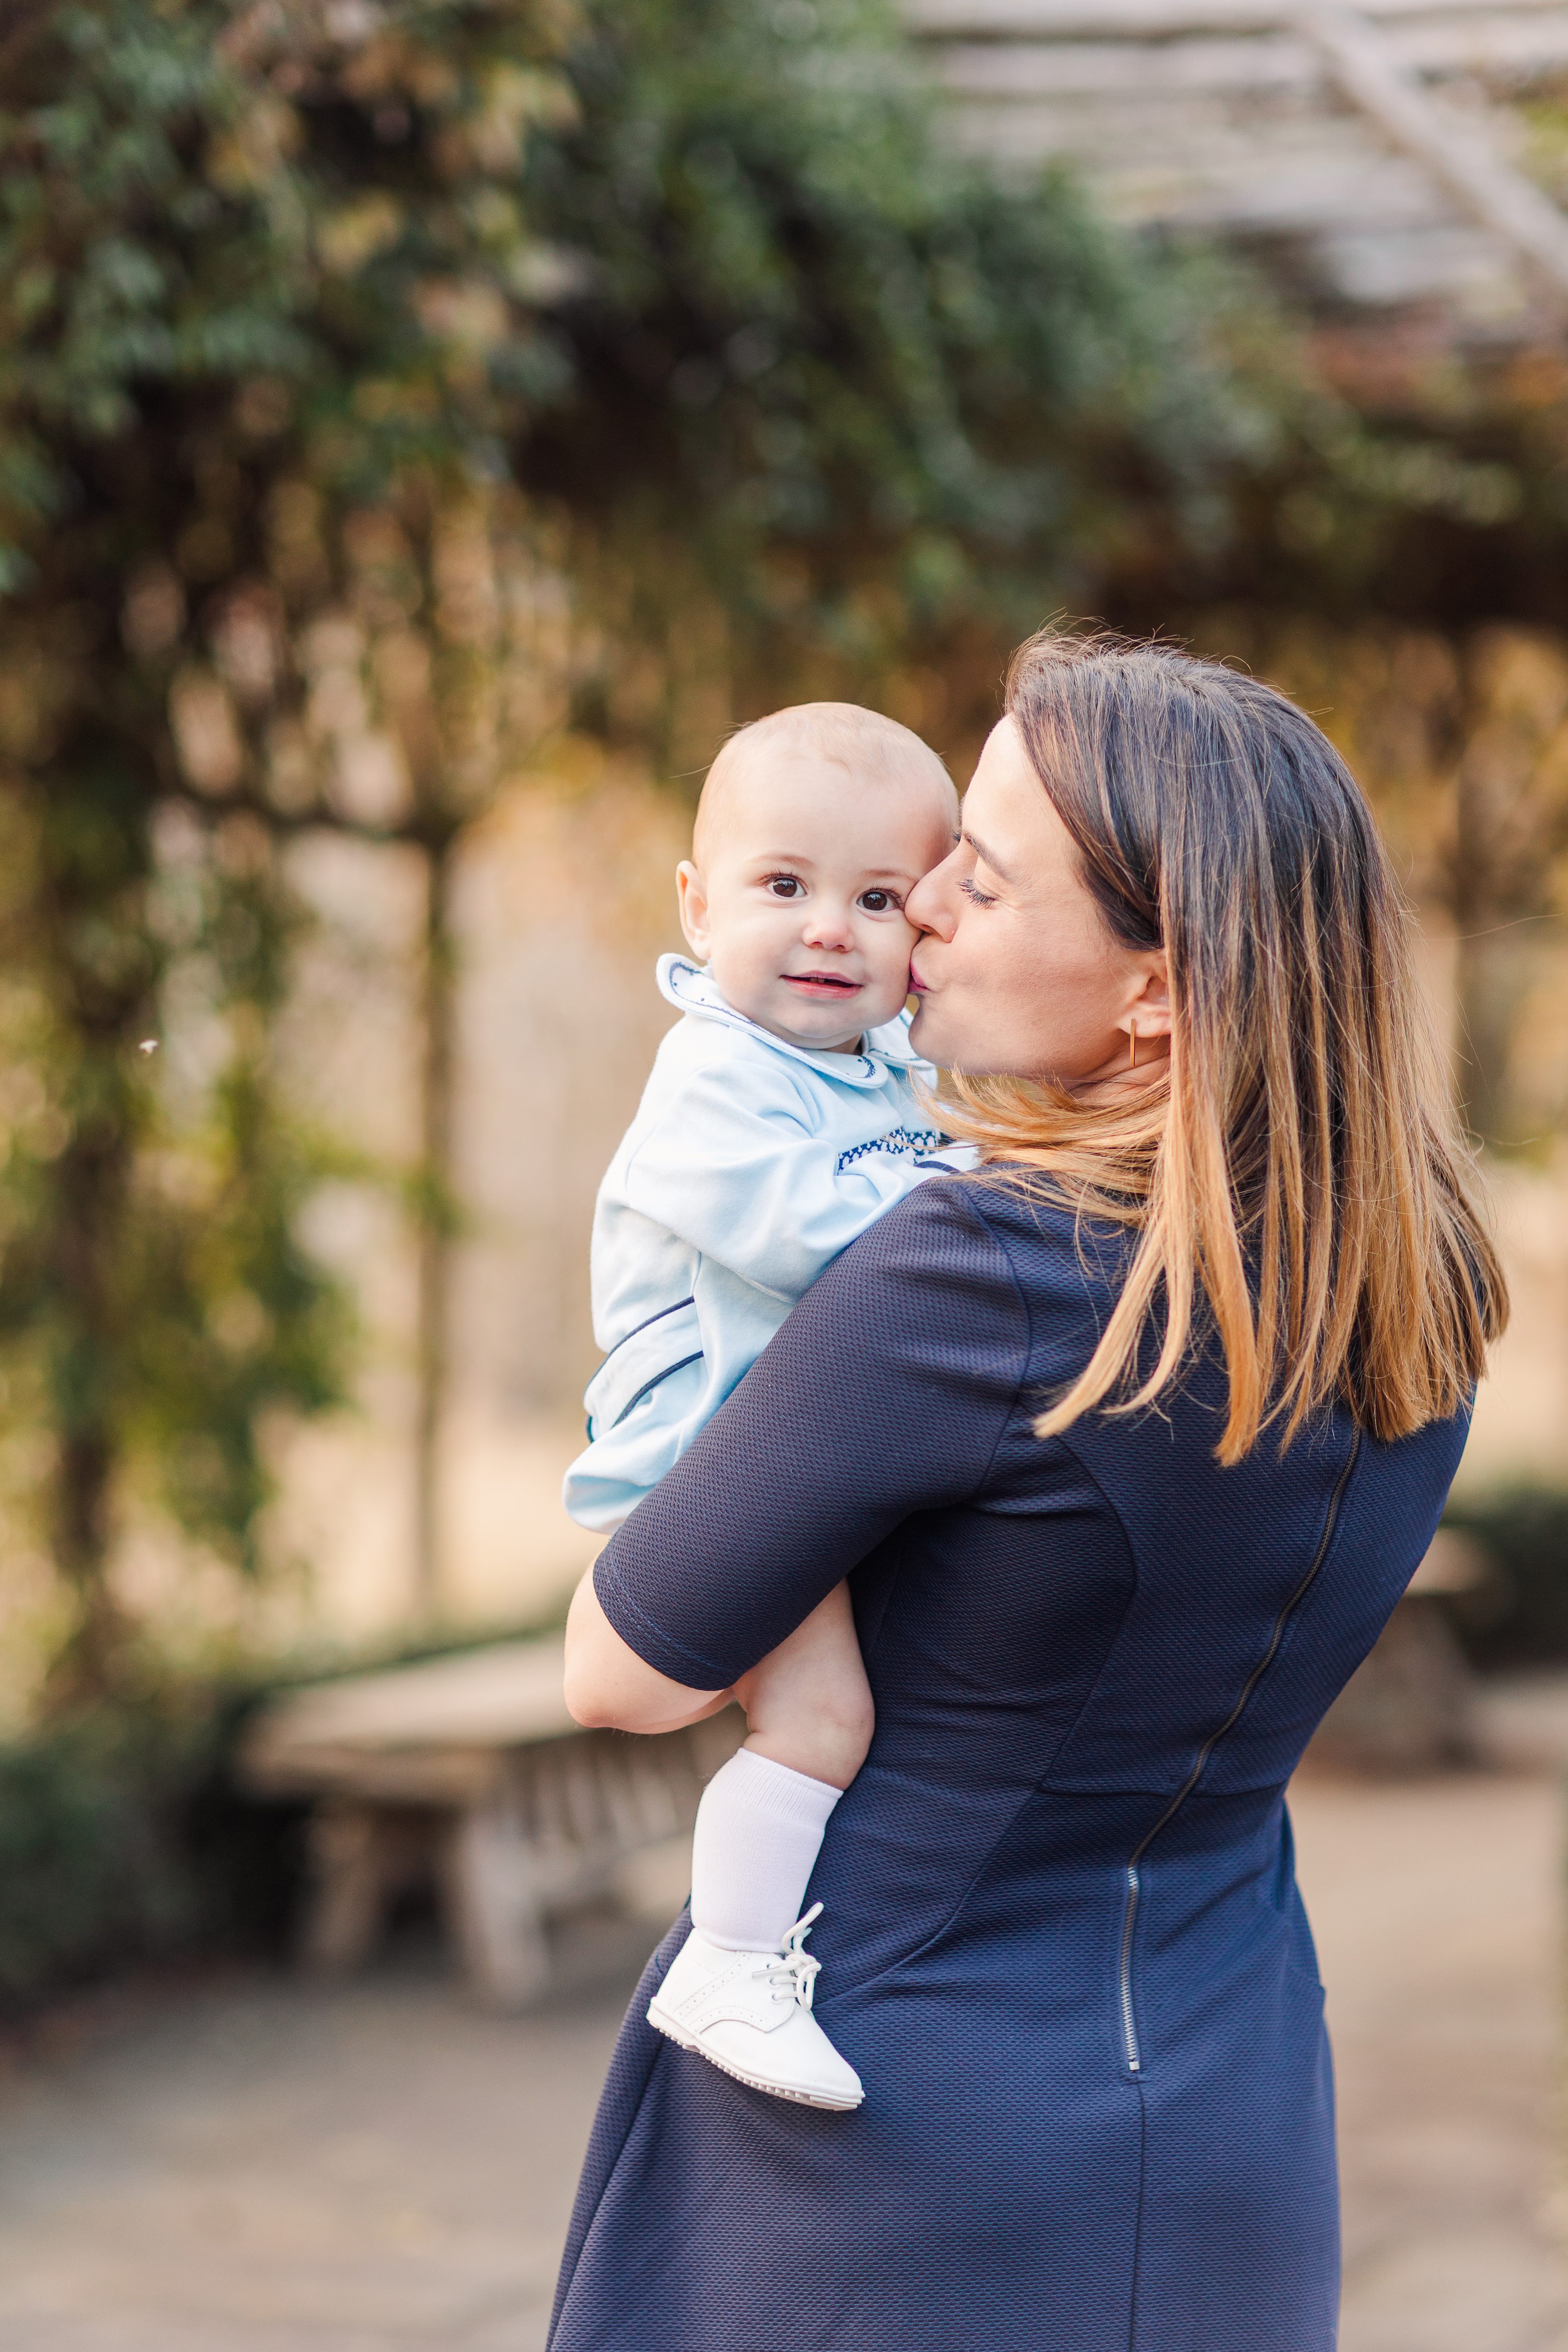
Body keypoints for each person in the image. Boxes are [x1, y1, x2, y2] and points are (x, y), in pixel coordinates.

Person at [554, 632, 1506, 2352]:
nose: (914, 918)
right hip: (1228, 2101)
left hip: (886, 2152)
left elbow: (626, 1666)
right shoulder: (1411, 1282)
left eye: (975, 883)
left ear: (1155, 985)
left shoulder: (975, 1276)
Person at [562, 702, 962, 2109]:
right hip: (707, 1455)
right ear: (699, 899)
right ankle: (726, 1959)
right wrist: (968, 1205)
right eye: (783, 887)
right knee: (821, 1718)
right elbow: (811, 1235)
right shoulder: (715, 1078)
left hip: (800, 1447)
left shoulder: (881, 1073)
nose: (831, 931)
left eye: (878, 899)